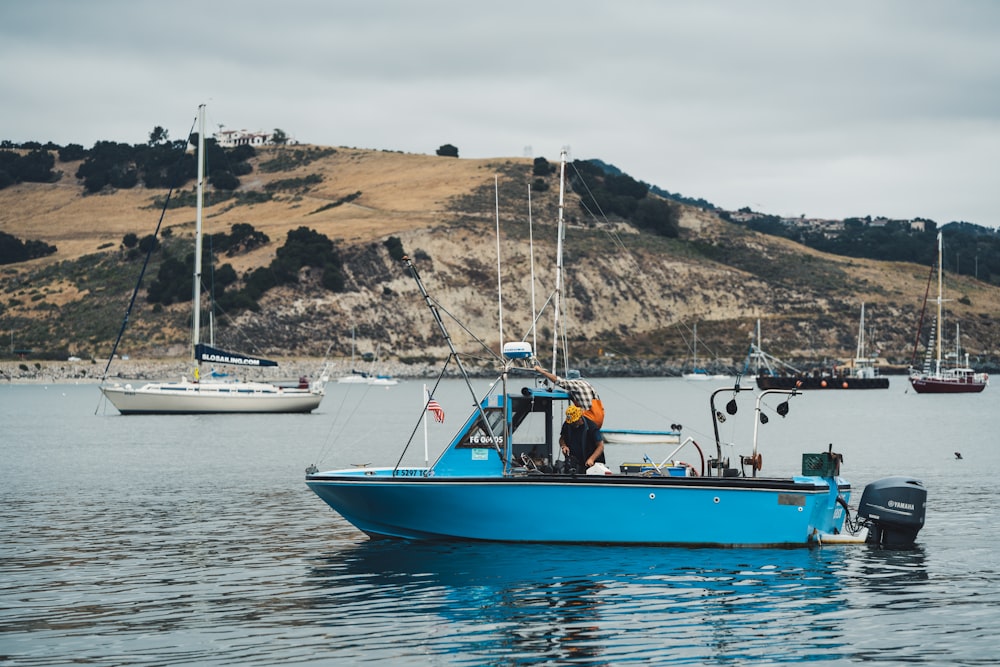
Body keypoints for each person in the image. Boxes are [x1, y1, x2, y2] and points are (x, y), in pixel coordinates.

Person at [533, 365, 605, 428]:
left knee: (569, 424)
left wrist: (542, 372)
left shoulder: (575, 384)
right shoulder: (587, 384)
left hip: (589, 418)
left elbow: (558, 381)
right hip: (599, 418)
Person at [560, 405, 605, 472]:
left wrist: (592, 459)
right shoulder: (567, 424)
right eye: (571, 422)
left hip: (592, 464)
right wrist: (564, 446)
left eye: (574, 422)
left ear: (580, 418)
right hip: (575, 463)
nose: (572, 424)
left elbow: (600, 446)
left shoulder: (592, 427)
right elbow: (562, 439)